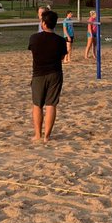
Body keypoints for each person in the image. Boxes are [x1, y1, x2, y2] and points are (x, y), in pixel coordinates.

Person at [28, 9, 67, 142]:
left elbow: (33, 53)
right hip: (55, 73)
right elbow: (62, 57)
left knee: (37, 105)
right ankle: (47, 136)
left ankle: (38, 134)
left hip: (38, 74)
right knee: (51, 105)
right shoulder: (61, 40)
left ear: (44, 24)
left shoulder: (34, 38)